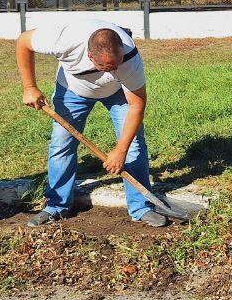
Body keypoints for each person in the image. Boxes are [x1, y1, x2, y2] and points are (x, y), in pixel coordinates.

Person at [15, 18, 169, 227]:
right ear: (89, 56)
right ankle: (56, 205)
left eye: (114, 65)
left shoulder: (129, 58)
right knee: (62, 144)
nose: (110, 71)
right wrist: (29, 87)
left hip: (118, 92)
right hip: (72, 90)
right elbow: (23, 42)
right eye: (104, 66)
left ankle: (141, 207)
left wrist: (120, 150)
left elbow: (136, 106)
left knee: (133, 145)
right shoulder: (63, 37)